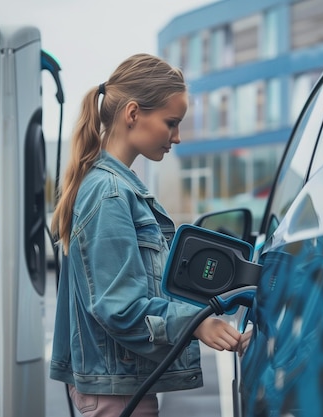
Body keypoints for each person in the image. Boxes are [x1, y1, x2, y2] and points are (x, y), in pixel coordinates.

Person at [49, 53, 242, 417]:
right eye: (172, 122)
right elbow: (119, 307)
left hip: (120, 386)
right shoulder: (109, 194)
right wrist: (197, 324)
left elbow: (147, 289)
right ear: (134, 114)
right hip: (116, 393)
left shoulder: (116, 188)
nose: (178, 137)